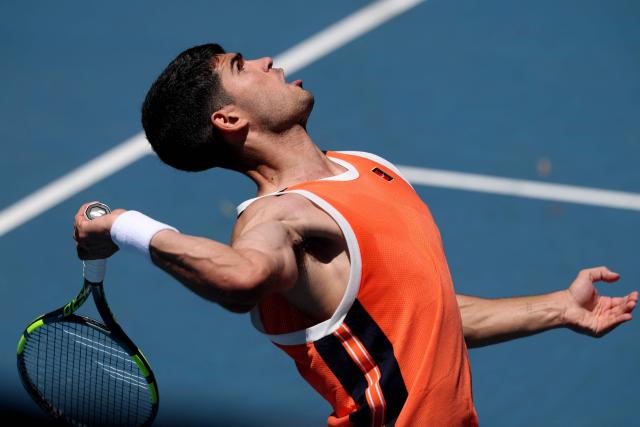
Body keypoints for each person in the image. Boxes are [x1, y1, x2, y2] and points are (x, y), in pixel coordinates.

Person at [73, 44, 638, 426]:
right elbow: (241, 276)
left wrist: (559, 308)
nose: (268, 59)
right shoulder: (277, 217)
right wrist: (123, 225)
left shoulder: (367, 166)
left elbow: (428, 316)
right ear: (228, 120)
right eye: (242, 65)